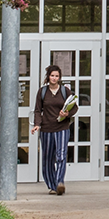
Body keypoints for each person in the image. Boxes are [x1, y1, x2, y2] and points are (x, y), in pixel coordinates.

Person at [30, 63, 75, 195]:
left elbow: (74, 107)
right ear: (48, 77)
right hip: (46, 129)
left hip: (62, 127)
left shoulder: (65, 91)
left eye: (57, 76)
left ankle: (60, 182)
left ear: (59, 77)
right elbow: (38, 110)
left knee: (61, 156)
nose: (54, 78)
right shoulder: (42, 92)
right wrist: (37, 124)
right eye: (52, 76)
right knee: (48, 158)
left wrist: (67, 114)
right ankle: (52, 185)